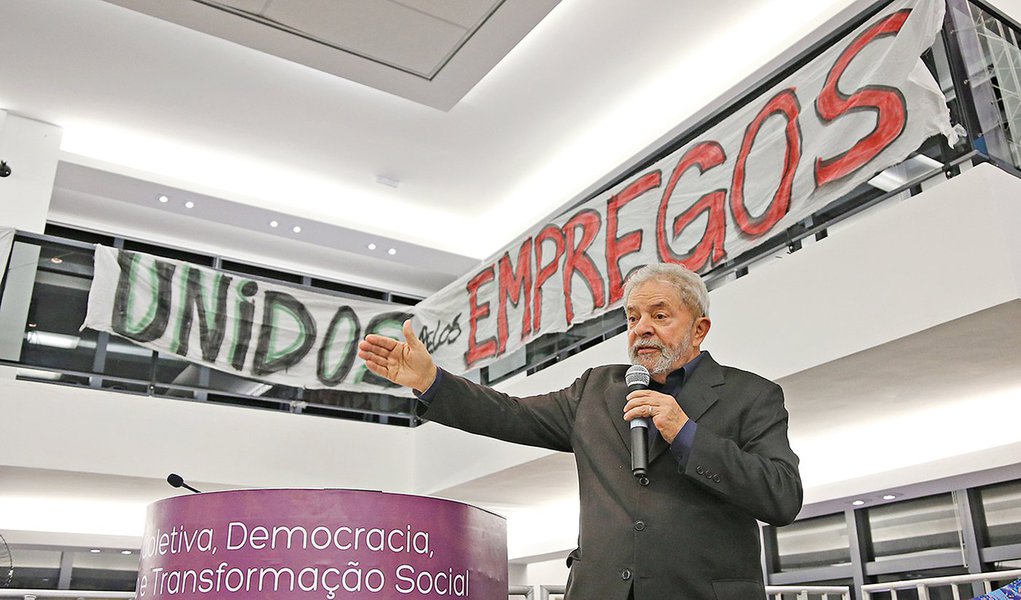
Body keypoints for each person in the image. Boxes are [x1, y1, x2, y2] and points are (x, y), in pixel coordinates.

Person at [357, 263, 802, 600]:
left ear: (700, 328)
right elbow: (510, 414)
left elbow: (782, 497)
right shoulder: (596, 390)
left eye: (659, 315)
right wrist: (431, 381)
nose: (641, 328)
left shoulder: (752, 396)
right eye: (632, 318)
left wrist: (687, 434)